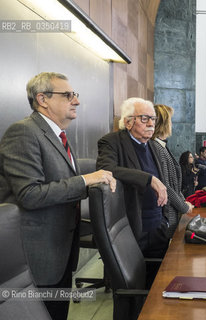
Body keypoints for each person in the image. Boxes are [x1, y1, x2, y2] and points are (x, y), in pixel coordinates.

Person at [0, 72, 116, 320]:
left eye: (75, 95)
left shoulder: (58, 134)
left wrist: (94, 183)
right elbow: (29, 195)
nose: (76, 101)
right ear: (42, 99)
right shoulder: (23, 132)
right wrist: (86, 180)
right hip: (35, 258)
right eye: (68, 95)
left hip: (61, 249)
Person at [96, 97, 169, 287]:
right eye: (145, 118)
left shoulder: (153, 145)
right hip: (132, 225)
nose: (152, 123)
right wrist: (148, 179)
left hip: (158, 225)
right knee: (134, 288)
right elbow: (106, 169)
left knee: (156, 283)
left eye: (153, 119)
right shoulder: (111, 142)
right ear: (128, 122)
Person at [151, 104, 194, 238]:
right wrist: (184, 207)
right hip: (167, 214)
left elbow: (175, 185)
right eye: (170, 120)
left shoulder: (161, 146)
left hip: (173, 212)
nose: (171, 124)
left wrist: (183, 203)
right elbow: (166, 186)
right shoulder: (156, 147)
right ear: (164, 123)